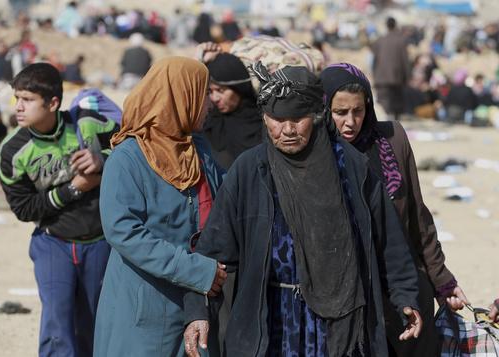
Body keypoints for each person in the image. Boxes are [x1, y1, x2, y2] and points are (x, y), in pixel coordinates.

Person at [183, 63, 422, 357]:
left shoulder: (351, 168)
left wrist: (405, 296)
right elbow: (213, 250)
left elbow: (388, 241)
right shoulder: (250, 170)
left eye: (298, 119)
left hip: (339, 322)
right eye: (277, 119)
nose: (287, 130)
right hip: (270, 319)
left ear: (317, 116)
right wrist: (197, 311)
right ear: (265, 118)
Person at [320, 62, 469, 357]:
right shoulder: (316, 155)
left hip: (405, 292)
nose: (351, 122)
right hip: (350, 300)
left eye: (358, 111)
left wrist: (442, 280)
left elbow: (418, 217)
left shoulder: (392, 139)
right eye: (340, 113)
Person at [93, 56, 227, 357]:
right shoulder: (127, 159)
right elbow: (124, 232)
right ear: (182, 96)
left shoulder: (198, 152)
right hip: (143, 304)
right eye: (204, 93)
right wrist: (194, 270)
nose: (210, 103)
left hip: (194, 302)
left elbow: (229, 199)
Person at [0, 62, 118, 356]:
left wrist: (103, 161)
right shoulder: (13, 151)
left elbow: (133, 148)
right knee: (57, 323)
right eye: (17, 98)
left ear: (52, 103)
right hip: (53, 243)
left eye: (27, 99)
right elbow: (25, 209)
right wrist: (74, 188)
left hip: (98, 243)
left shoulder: (87, 124)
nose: (18, 107)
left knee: (93, 322)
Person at [196, 42, 262, 170]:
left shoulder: (263, 123)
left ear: (239, 89)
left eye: (221, 91)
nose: (214, 98)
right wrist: (199, 60)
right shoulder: (208, 122)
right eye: (210, 91)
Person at [371, 17, 409, 121]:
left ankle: (383, 126)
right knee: (396, 105)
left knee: (383, 105)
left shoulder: (380, 40)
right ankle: (396, 127)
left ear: (386, 25)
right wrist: (406, 77)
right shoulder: (401, 40)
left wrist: (374, 75)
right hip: (396, 78)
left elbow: (374, 61)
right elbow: (405, 61)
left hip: (381, 77)